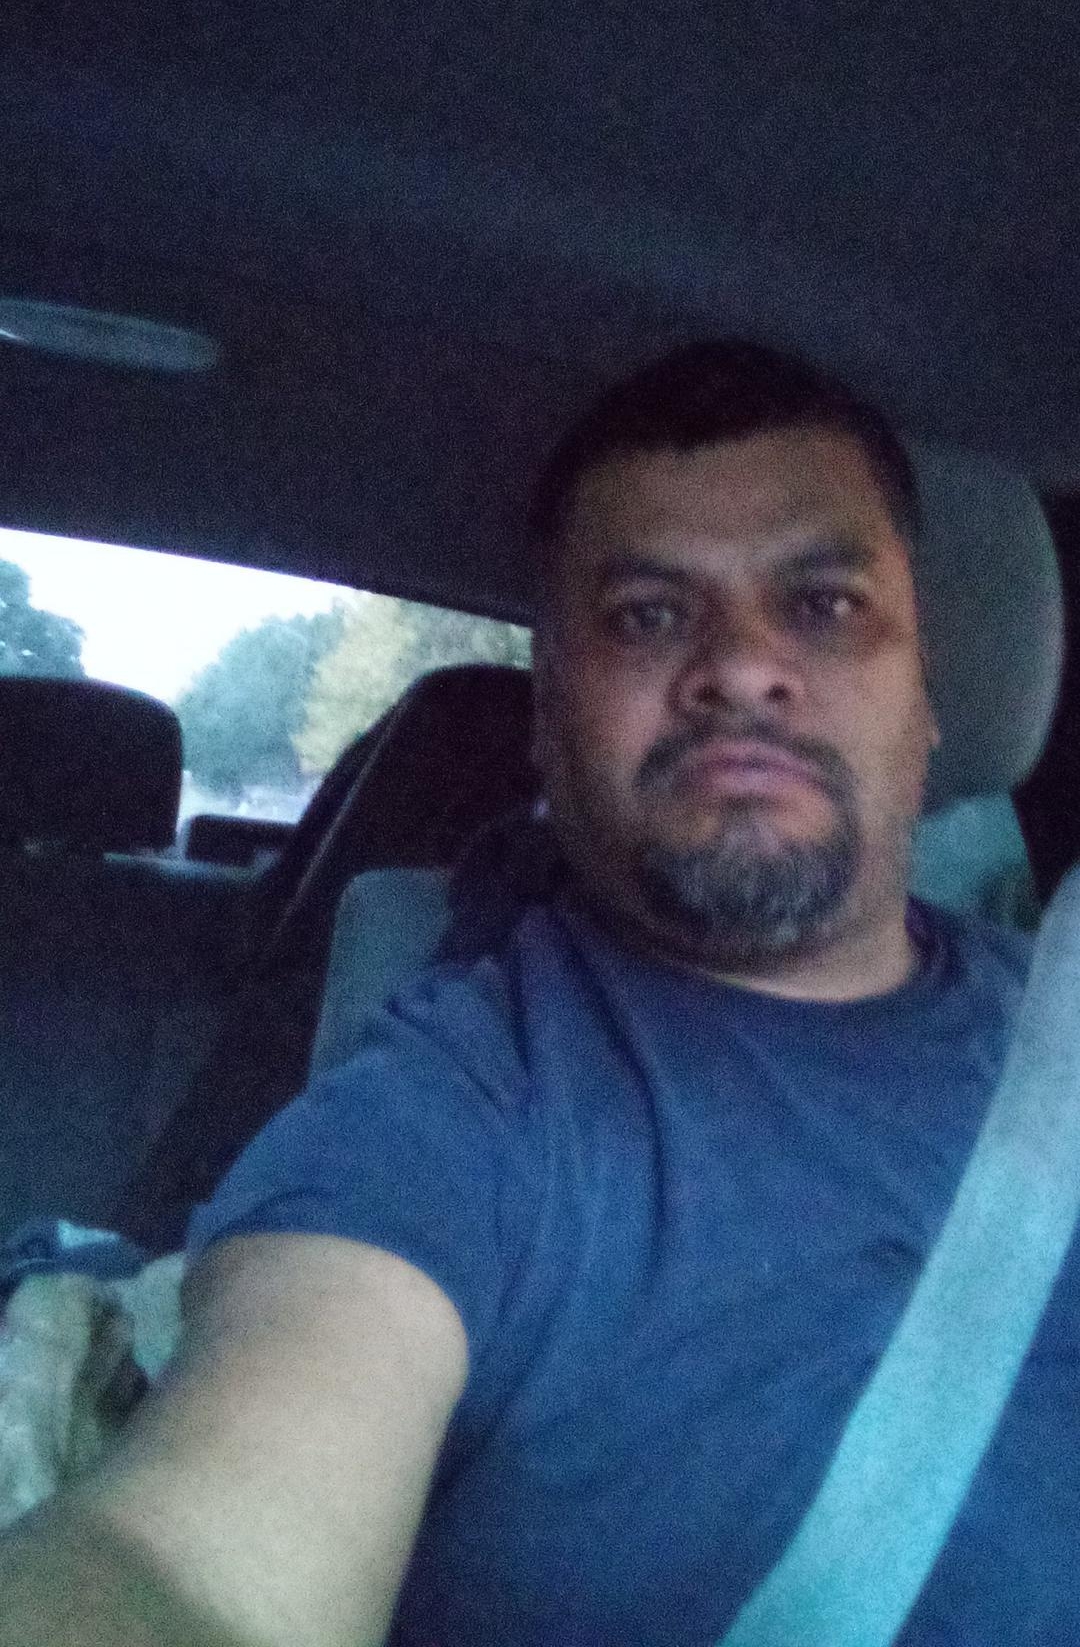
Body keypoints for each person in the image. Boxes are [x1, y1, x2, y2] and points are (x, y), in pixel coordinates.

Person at [0, 338, 1055, 1647]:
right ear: (549, 721)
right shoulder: (459, 1105)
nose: (742, 664)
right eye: (648, 615)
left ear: (928, 697)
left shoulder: (1061, 1018)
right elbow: (184, 1563)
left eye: (825, 605)